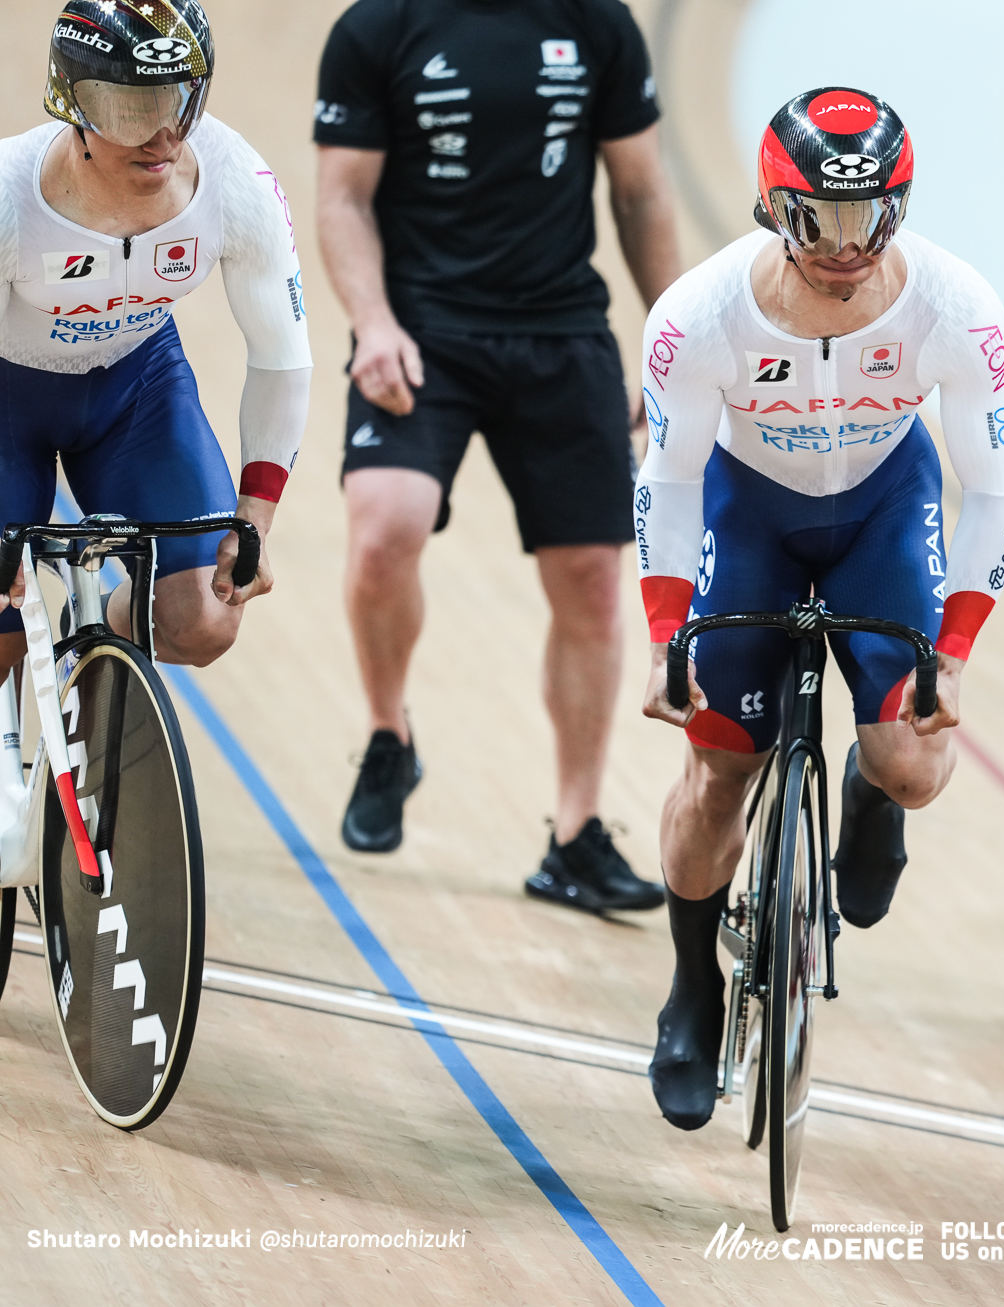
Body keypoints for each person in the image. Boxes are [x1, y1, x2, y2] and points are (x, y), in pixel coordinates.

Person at [633, 86, 1004, 1130]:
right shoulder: (699, 315)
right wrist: (667, 636)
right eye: (819, 220)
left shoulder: (955, 304)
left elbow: (993, 490)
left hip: (882, 510)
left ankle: (868, 788)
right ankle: (692, 986)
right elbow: (669, 479)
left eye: (869, 219)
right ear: (775, 206)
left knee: (915, 764)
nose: (847, 248)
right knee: (719, 769)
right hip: (746, 515)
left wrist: (955, 650)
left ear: (901, 207)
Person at [313, 0, 682, 911]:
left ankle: (575, 833)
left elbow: (639, 192)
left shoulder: (598, 23)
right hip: (421, 328)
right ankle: (389, 736)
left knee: (593, 580)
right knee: (384, 529)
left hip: (561, 331)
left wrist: (674, 346)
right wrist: (373, 324)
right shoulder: (378, 28)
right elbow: (343, 197)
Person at [2, 1, 305, 661]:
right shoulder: (8, 198)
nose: (163, 137)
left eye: (179, 103)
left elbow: (282, 359)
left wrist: (253, 519)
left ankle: (94, 634)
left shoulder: (235, 181)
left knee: (206, 620)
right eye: (131, 112)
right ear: (73, 106)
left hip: (136, 387)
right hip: (6, 402)